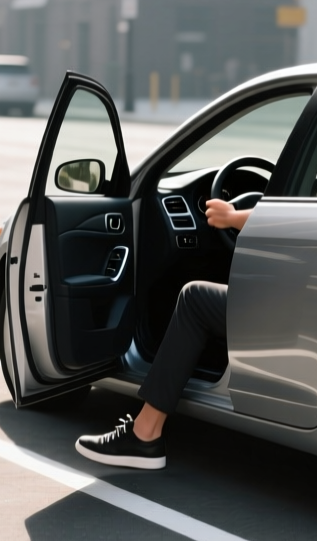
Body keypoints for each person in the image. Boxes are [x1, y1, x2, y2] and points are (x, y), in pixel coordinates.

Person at [74, 198, 252, 470]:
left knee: (196, 298)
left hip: (285, 304)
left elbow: (285, 218)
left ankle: (145, 433)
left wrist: (232, 216)